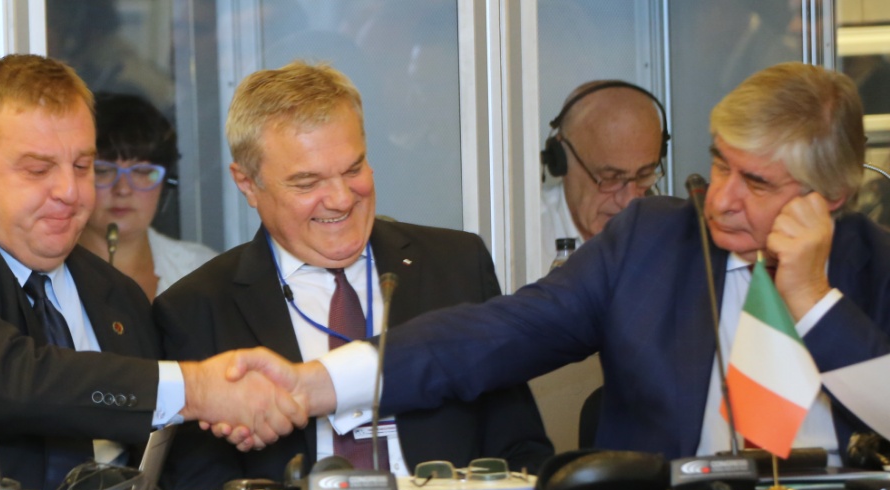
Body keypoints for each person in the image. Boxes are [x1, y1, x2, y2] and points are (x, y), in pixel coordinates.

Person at [223, 62, 890, 466]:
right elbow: (489, 336)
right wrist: (315, 383)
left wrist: (813, 298)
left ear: (830, 196)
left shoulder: (875, 264)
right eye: (720, 164)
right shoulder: (652, 242)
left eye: (758, 183)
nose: (721, 199)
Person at [0, 54, 303, 490]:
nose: (69, 192)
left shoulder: (118, 296)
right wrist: (196, 389)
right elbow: (12, 381)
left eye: (82, 166)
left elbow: (168, 457)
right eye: (38, 170)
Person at [153, 61, 552, 490]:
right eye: (308, 183)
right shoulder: (196, 309)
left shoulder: (456, 265)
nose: (342, 200)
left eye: (353, 170)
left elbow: (522, 450)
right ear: (248, 184)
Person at [79, 92, 217, 300]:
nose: (123, 189)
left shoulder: (204, 272)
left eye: (142, 172)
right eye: (103, 170)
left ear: (165, 182)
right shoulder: (43, 276)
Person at [540, 80, 668, 264]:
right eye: (611, 178)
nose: (630, 201)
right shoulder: (524, 235)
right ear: (561, 161)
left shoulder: (670, 231)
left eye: (644, 176)